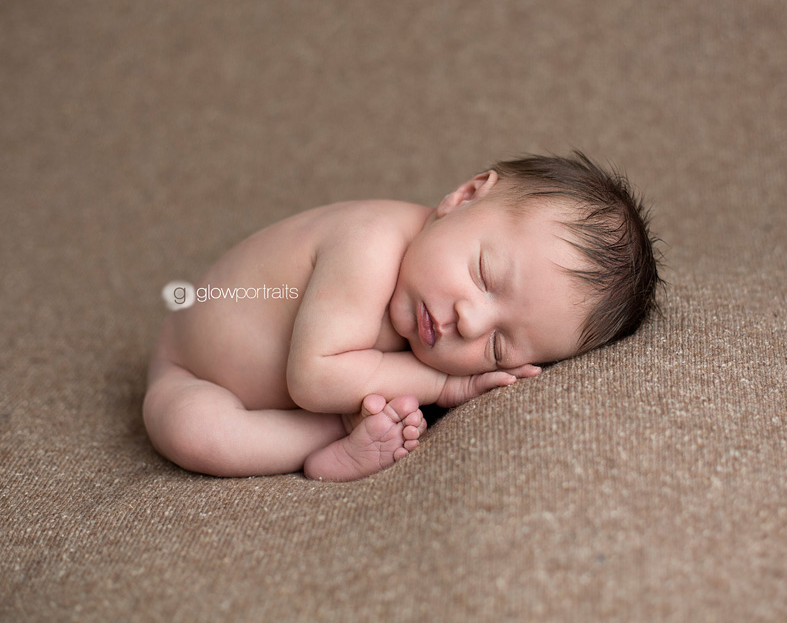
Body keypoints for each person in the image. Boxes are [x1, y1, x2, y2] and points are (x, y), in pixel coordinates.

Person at [143, 151, 661, 481]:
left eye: (498, 347)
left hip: (301, 387)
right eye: (483, 275)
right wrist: (445, 385)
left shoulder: (430, 303)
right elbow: (314, 379)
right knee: (195, 432)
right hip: (190, 366)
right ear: (464, 197)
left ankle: (338, 442)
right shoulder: (370, 243)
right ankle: (331, 432)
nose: (471, 323)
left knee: (205, 432)